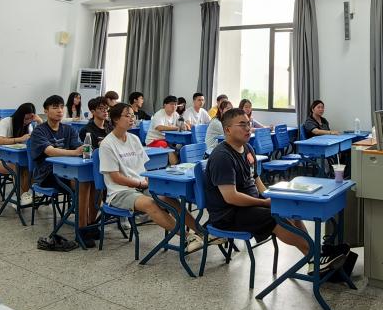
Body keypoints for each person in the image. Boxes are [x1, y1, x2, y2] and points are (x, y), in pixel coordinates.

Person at [205, 108, 325, 263]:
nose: (248, 128)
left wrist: (270, 197)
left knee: (288, 208)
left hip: (249, 206)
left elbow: (255, 178)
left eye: (248, 124)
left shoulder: (248, 148)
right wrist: (263, 203)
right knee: (273, 216)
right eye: (242, 125)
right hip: (228, 214)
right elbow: (231, 197)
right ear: (227, 129)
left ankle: (313, 256)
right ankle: (314, 256)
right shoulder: (222, 157)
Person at [101, 103, 205, 252]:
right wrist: (140, 184)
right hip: (120, 192)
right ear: (116, 119)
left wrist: (150, 182)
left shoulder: (134, 139)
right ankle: (189, 237)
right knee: (151, 204)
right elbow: (115, 177)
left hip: (142, 185)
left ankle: (202, 232)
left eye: (133, 116)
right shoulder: (107, 144)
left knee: (168, 197)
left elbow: (143, 167)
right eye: (128, 116)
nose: (132, 119)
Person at [29, 95, 95, 246]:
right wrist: (74, 152)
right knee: (82, 183)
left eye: (61, 107)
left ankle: (91, 223)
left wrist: (82, 150)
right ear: (46, 111)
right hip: (47, 173)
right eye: (55, 107)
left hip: (68, 169)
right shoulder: (39, 131)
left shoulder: (68, 129)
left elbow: (79, 147)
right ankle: (81, 229)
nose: (59, 110)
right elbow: (50, 151)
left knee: (93, 181)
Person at [0, 102, 39, 204]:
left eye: (30, 119)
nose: (27, 122)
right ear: (20, 115)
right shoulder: (6, 121)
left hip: (17, 158)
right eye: (25, 119)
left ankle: (22, 197)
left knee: (30, 166)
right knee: (16, 165)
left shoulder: (29, 126)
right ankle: (20, 197)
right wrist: (20, 139)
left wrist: (39, 121)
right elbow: (0, 141)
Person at [145, 96, 181, 165]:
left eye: (175, 104)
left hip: (167, 139)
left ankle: (179, 164)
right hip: (154, 140)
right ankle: (175, 166)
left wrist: (183, 125)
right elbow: (159, 127)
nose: (174, 106)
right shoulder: (159, 114)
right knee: (168, 147)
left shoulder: (175, 114)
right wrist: (176, 128)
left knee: (179, 146)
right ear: (165, 105)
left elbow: (181, 124)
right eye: (171, 104)